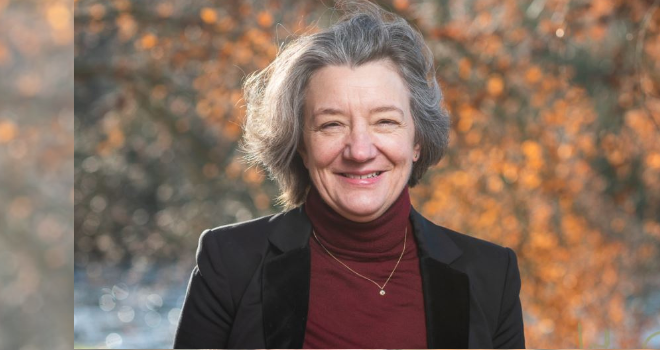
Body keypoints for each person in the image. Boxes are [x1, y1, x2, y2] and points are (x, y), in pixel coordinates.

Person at [172, 1, 524, 348]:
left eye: (385, 122)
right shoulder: (230, 262)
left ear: (417, 140)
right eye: (331, 124)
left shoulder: (492, 275)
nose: (359, 150)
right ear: (301, 146)